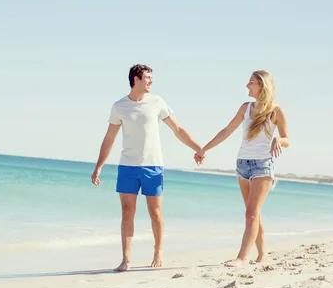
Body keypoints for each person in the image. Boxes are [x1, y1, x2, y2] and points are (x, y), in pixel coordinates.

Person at [92, 64, 204, 272]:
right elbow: (109, 138)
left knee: (155, 212)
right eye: (148, 78)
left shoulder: (157, 102)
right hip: (127, 166)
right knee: (127, 212)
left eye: (152, 78)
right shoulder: (119, 106)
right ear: (136, 79)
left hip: (153, 166)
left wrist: (198, 148)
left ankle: (158, 250)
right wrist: (99, 166)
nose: (151, 81)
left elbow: (177, 129)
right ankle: (126, 259)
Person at [195, 70, 289, 267]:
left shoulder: (276, 110)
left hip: (262, 165)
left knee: (251, 214)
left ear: (262, 85)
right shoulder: (246, 108)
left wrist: (278, 139)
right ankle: (263, 254)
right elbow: (227, 131)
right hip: (242, 165)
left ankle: (241, 258)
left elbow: (287, 139)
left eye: (251, 83)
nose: (247, 86)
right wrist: (204, 149)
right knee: (253, 213)